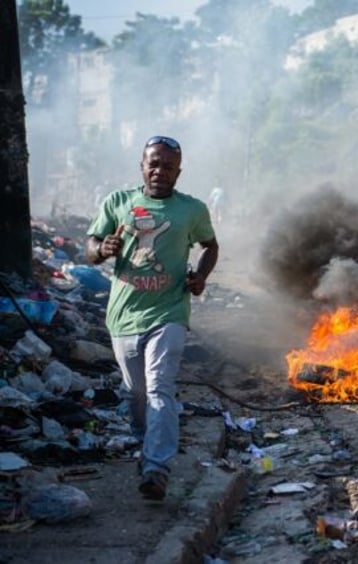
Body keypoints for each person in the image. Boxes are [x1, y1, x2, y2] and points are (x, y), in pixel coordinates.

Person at [86, 135, 219, 500]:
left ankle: (157, 468)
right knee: (137, 394)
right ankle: (147, 449)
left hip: (170, 313)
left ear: (179, 171)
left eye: (168, 166)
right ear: (142, 166)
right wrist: (102, 248)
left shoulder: (191, 210)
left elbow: (210, 245)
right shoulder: (118, 202)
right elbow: (91, 248)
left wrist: (200, 276)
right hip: (124, 316)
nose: (160, 171)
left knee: (160, 386)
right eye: (153, 164)